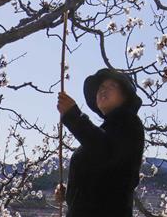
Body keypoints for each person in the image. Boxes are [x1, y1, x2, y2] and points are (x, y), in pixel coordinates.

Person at [55, 68, 145, 217]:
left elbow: (107, 151)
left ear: (125, 96)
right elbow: (100, 180)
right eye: (101, 87)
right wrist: (70, 193)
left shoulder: (129, 123)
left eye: (112, 86)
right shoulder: (105, 131)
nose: (103, 90)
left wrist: (73, 116)